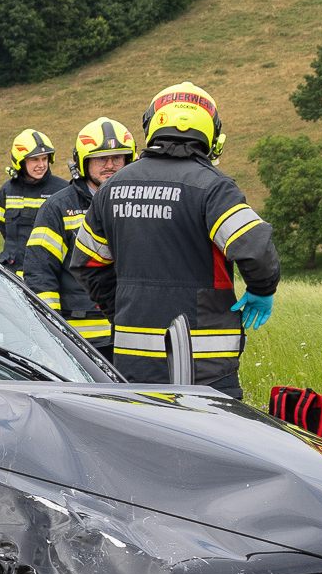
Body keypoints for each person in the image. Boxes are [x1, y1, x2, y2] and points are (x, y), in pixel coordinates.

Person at [76, 82, 279, 399]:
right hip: (206, 367)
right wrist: (261, 290)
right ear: (210, 133)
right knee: (208, 445)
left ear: (152, 125)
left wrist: (124, 309)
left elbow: (88, 263)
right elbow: (254, 247)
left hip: (134, 362)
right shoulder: (213, 187)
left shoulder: (111, 189)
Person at [23, 117, 133, 355]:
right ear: (84, 162)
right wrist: (54, 331)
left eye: (118, 158)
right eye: (101, 158)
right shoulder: (58, 208)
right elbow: (40, 272)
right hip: (80, 340)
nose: (111, 165)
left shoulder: (138, 204)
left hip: (132, 335)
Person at [0, 130, 68, 275]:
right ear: (20, 161)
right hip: (11, 273)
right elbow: (3, 226)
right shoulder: (7, 190)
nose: (41, 165)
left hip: (45, 274)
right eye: (35, 159)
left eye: (44, 159)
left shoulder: (63, 190)